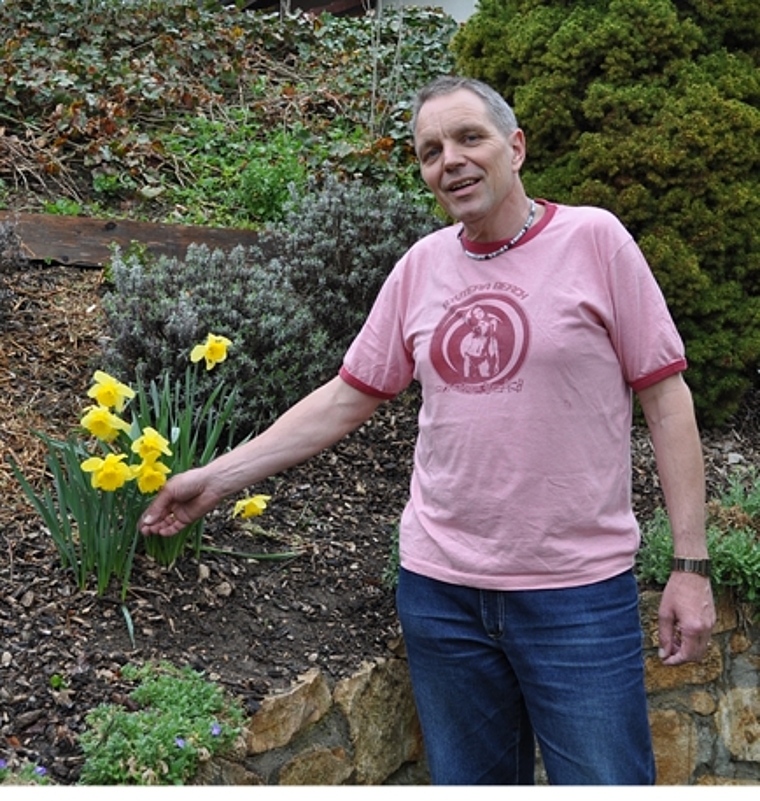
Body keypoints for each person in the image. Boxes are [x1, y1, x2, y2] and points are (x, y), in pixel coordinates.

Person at [140, 75, 716, 785]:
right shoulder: (422, 266)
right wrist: (217, 478)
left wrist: (690, 567)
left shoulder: (594, 240)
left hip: (575, 596)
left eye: (469, 137)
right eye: (430, 150)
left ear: (516, 146)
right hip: (442, 594)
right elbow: (346, 397)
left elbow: (667, 400)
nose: (451, 159)